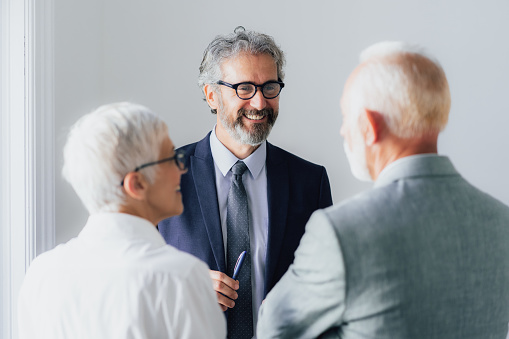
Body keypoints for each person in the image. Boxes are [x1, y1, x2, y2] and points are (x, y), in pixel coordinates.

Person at [257, 42, 509, 339]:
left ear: (368, 126)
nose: (342, 131)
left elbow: (272, 331)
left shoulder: (341, 232)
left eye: (345, 117)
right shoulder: (501, 222)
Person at [158, 27, 333, 338]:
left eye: (269, 87)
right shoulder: (162, 176)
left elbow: (330, 288)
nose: (259, 102)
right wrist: (178, 290)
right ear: (212, 95)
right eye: (244, 88)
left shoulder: (311, 182)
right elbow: (126, 280)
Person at [18, 102, 226, 339]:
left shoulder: (41, 274)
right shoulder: (181, 279)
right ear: (136, 184)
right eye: (169, 158)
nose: (182, 168)